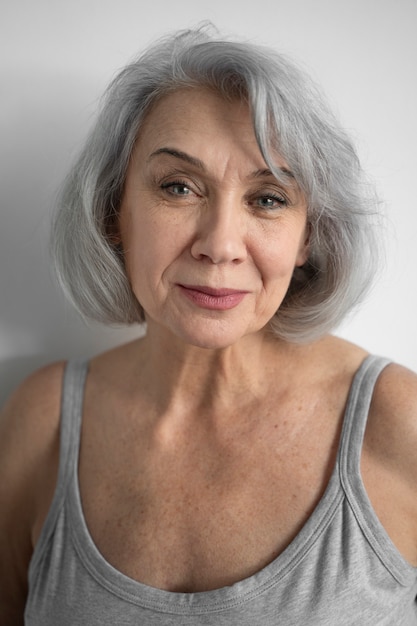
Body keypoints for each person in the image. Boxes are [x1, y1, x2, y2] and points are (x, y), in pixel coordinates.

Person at [1, 25, 416, 625]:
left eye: (268, 198)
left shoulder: (396, 420)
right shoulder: (43, 421)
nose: (220, 245)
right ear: (114, 213)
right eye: (178, 187)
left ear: (309, 237)